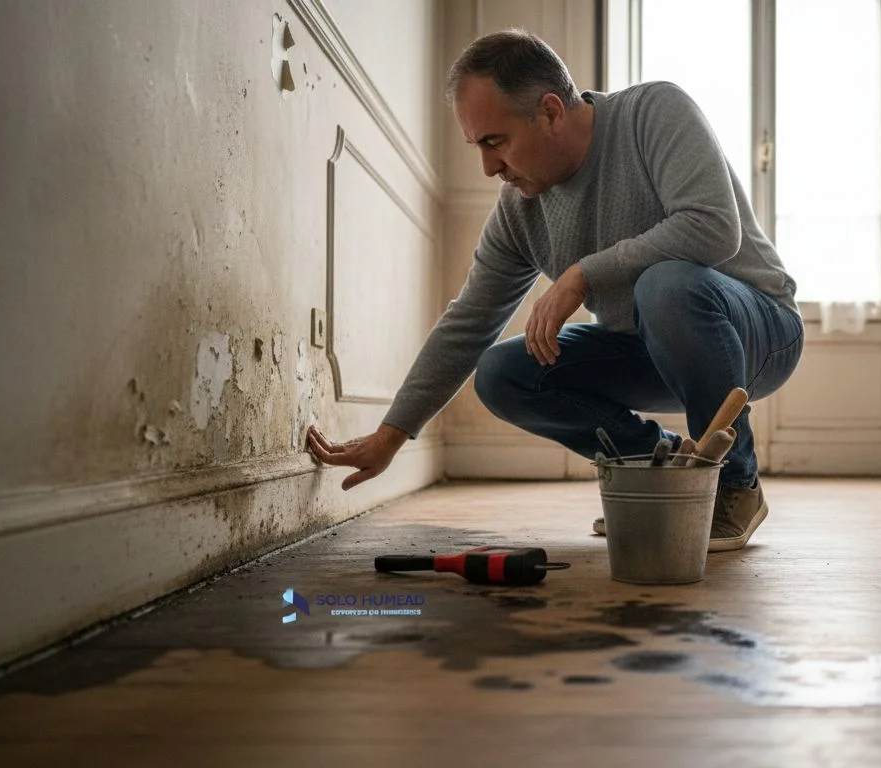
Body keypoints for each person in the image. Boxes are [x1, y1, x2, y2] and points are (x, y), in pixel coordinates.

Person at [306, 29, 804, 552]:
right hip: (647, 348)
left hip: (759, 334)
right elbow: (469, 321)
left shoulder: (653, 112)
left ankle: (735, 485)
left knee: (665, 286)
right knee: (502, 373)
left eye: (495, 142)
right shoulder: (519, 210)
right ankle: (656, 474)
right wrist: (390, 436)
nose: (488, 168)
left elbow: (713, 227)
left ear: (549, 111)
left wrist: (583, 274)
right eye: (477, 147)